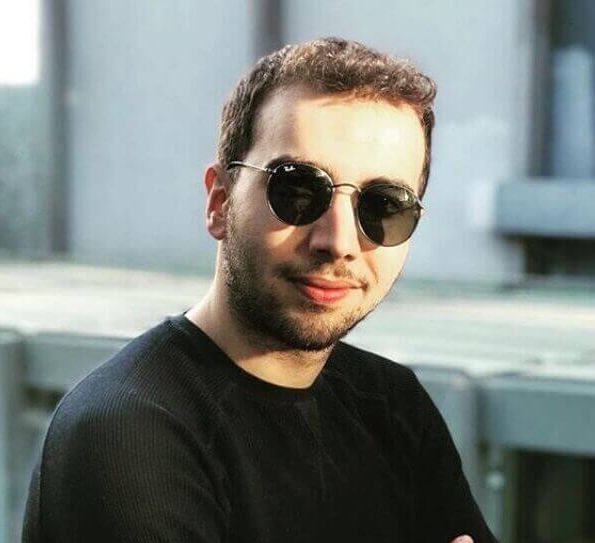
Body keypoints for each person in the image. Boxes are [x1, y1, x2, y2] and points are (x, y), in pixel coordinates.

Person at [22, 37, 497, 543]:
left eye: (383, 205)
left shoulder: (393, 406)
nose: (338, 242)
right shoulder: (126, 433)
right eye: (298, 190)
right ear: (220, 201)